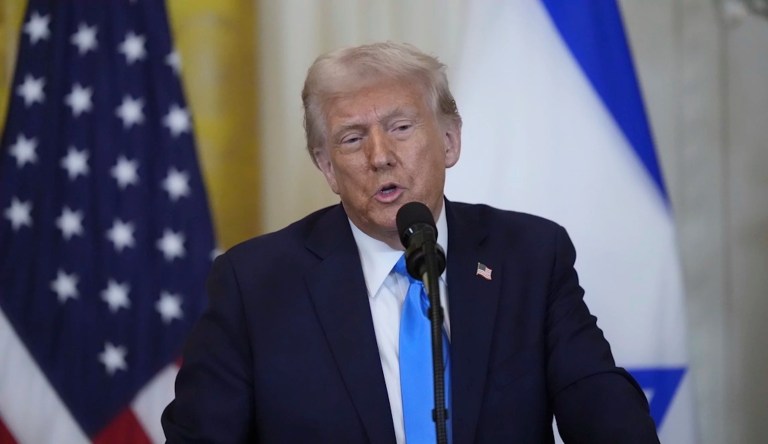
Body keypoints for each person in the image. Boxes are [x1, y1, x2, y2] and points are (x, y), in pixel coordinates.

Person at [161, 42, 659, 443]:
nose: (380, 156)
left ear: (450, 141)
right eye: (352, 139)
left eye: (400, 127)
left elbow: (599, 405)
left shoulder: (529, 255)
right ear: (327, 167)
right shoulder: (255, 284)